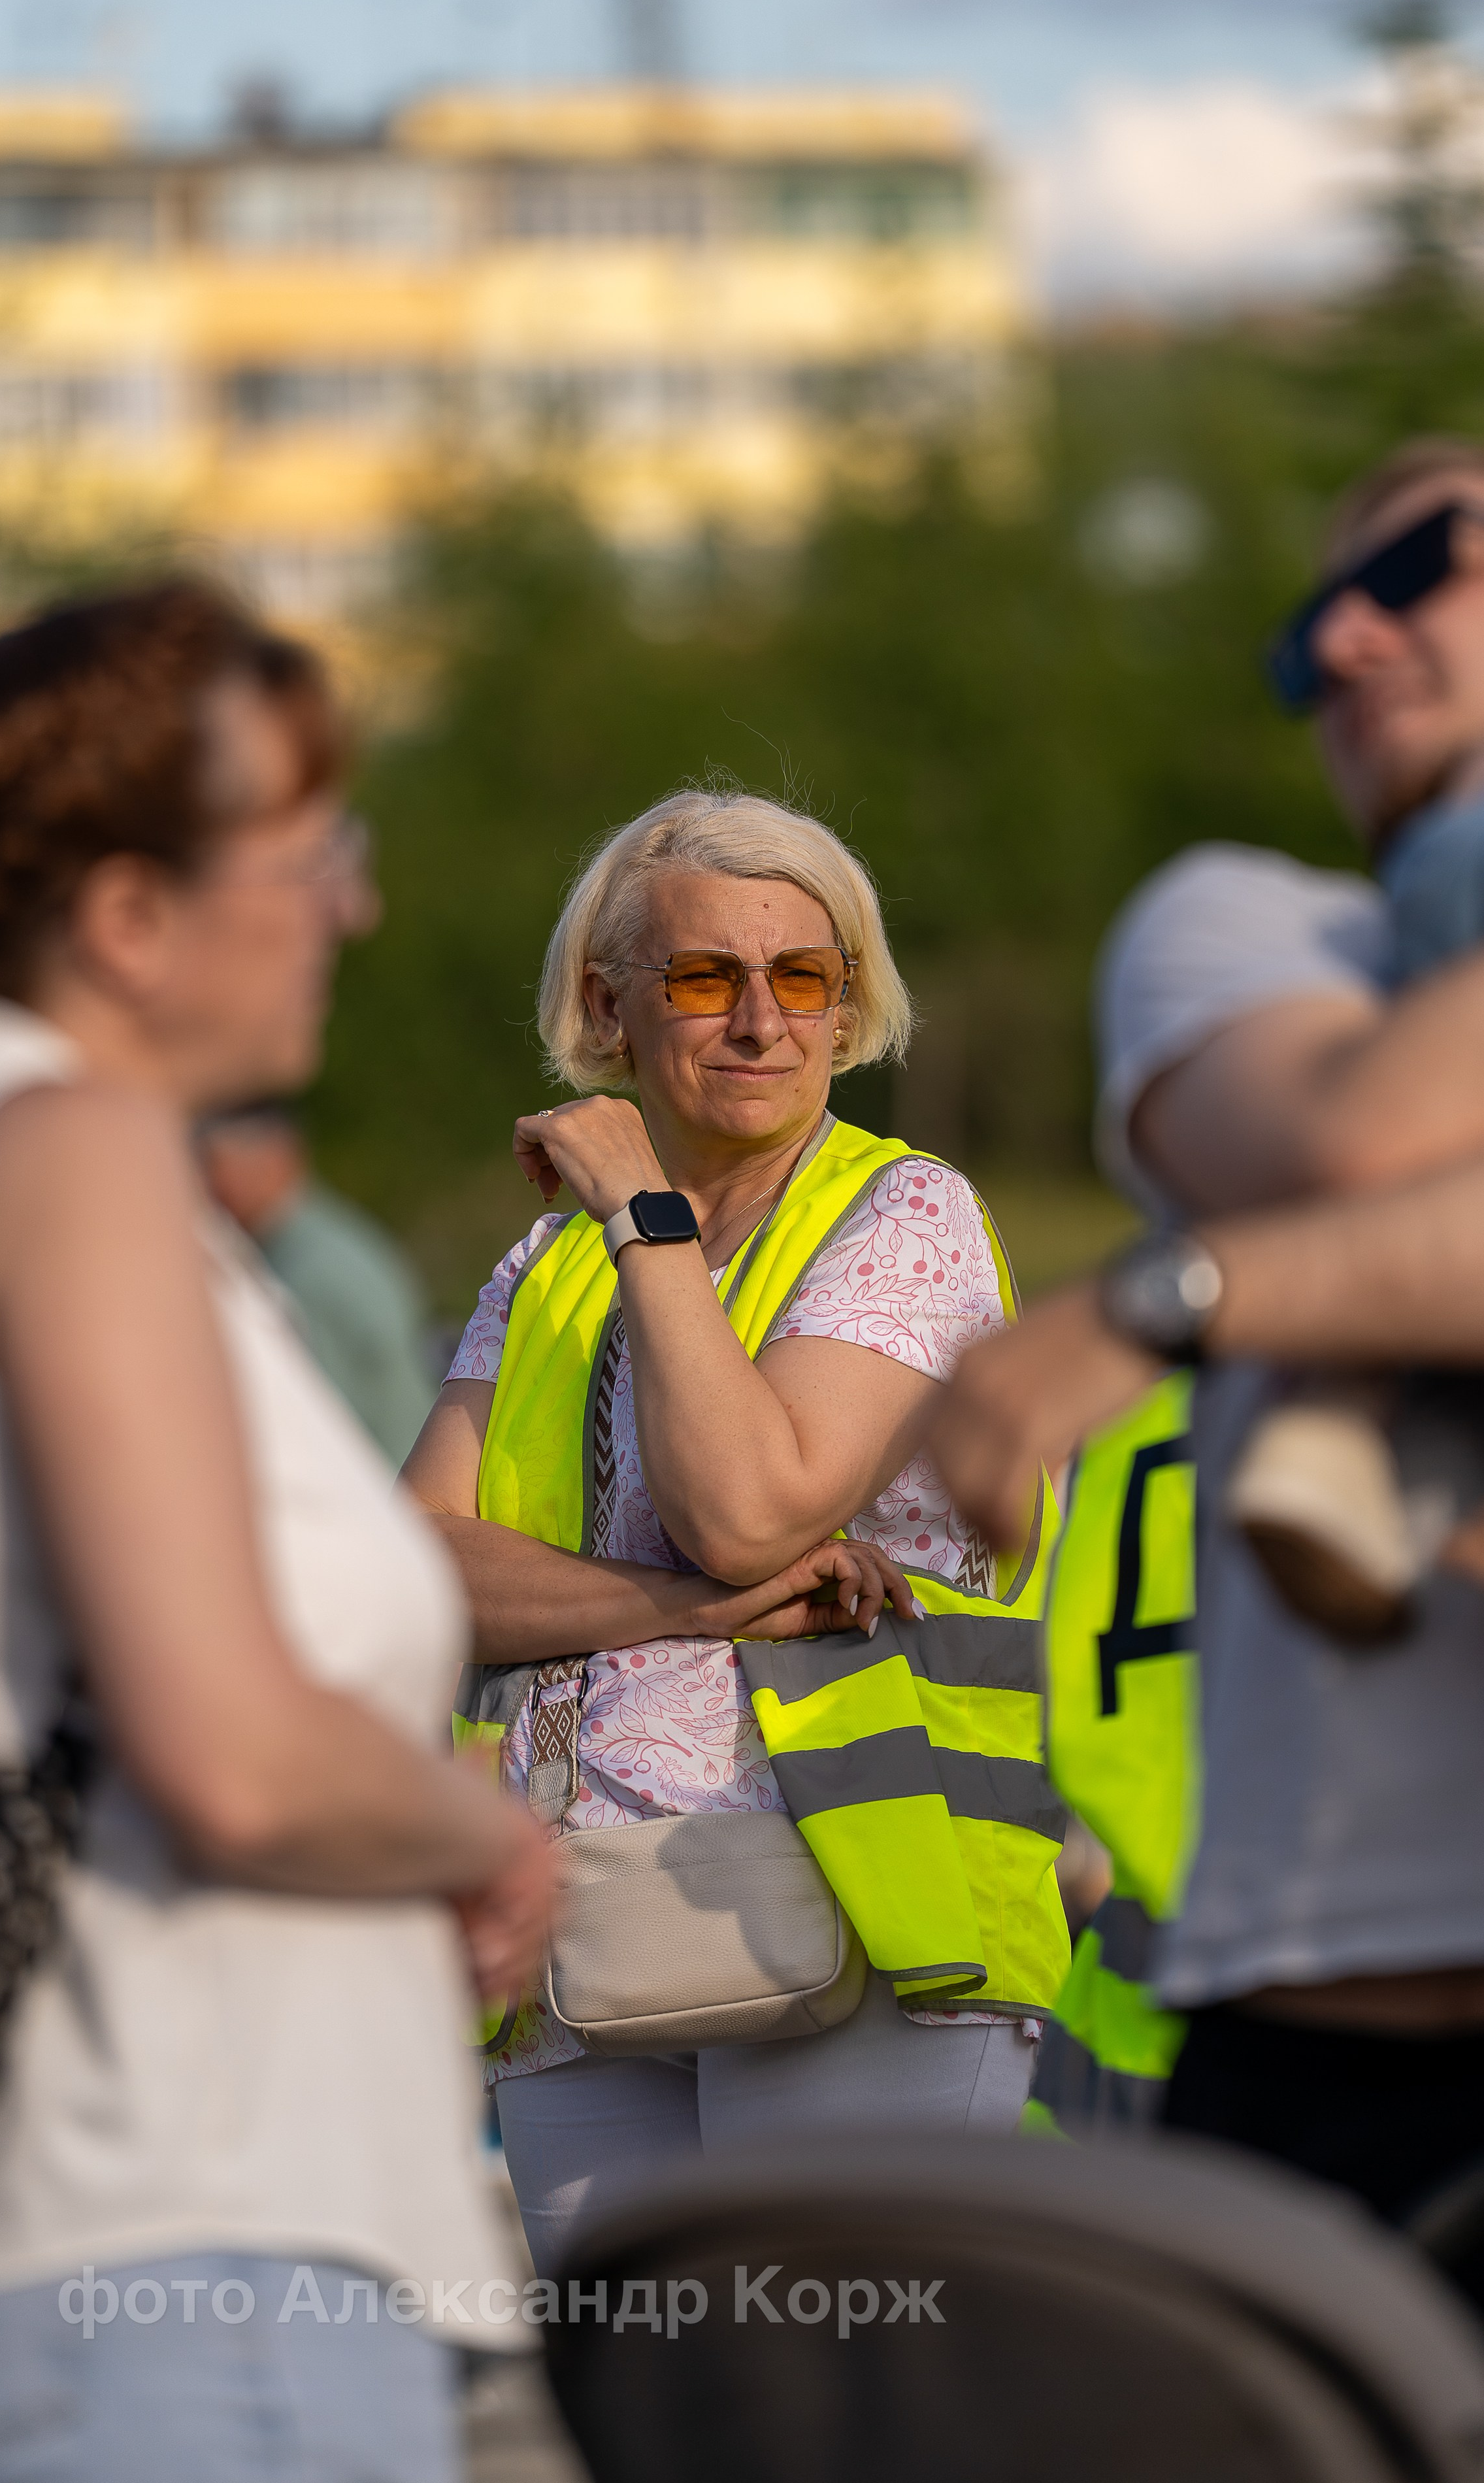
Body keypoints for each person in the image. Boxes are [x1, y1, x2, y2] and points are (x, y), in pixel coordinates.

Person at [0, 580, 550, 2483]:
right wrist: (482, 1833)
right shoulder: (67, 1151)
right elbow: (229, 1751)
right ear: (129, 919)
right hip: (192, 2253)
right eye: (312, 857)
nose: (354, 907)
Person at [402, 786, 1070, 2276]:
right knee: (646, 2416)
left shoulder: (905, 1215)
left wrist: (647, 1224)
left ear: (848, 1010)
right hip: (588, 1924)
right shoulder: (546, 1263)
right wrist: (683, 1607)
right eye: (706, 978)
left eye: (804, 979)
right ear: (607, 1009)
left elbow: (751, 1507)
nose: (760, 1021)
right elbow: (408, 1574)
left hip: (872, 1919)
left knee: (839, 2410)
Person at [932, 434, 1484, 2220]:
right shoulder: (1247, 923)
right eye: (1307, 626)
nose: (1341, 648)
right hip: (1351, 2042)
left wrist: (1189, 1299)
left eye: (1422, 575)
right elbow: (1355, 1145)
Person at [199, 1102, 437, 1464]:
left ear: (273, 1158)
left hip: (380, 1497)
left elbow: (310, 1426)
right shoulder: (328, 1237)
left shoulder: (305, 1270)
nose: (203, 1186)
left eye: (212, 1165)